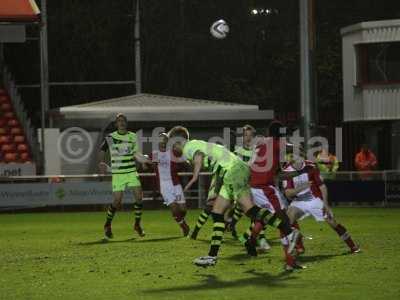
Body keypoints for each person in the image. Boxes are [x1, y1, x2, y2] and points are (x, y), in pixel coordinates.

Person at [168, 125, 300, 268]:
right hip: (234, 171)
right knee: (217, 213)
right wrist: (217, 187)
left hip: (233, 171)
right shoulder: (197, 143)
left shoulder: (189, 146)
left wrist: (194, 176)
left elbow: (199, 155)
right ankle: (212, 256)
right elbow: (216, 160)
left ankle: (289, 232)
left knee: (250, 209)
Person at [282, 153, 360, 255]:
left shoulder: (311, 166)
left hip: (314, 199)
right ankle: (299, 246)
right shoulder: (287, 171)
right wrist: (301, 188)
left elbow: (322, 186)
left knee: (332, 221)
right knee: (287, 222)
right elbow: (288, 194)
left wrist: (326, 205)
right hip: (299, 201)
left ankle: (352, 246)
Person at [99, 113, 151, 240]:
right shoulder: (110, 137)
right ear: (116, 124)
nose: (121, 122)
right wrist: (101, 162)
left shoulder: (132, 136)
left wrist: (144, 161)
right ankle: (107, 225)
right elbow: (102, 150)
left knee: (139, 198)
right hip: (118, 173)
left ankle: (137, 224)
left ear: (126, 123)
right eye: (119, 121)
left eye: (123, 121)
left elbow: (136, 154)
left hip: (131, 171)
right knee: (117, 202)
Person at [150, 133, 190, 236]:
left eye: (164, 140)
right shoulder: (155, 154)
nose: (162, 142)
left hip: (175, 184)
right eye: (160, 140)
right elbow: (149, 164)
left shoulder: (173, 153)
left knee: (183, 209)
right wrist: (144, 162)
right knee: (174, 207)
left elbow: (184, 162)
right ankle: (183, 225)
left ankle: (180, 220)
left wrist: (187, 162)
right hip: (164, 186)